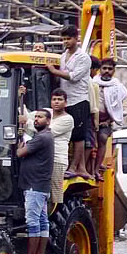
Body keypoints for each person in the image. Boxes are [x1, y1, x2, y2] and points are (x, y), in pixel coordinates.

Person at [47, 25, 92, 179]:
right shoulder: (63, 55)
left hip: (79, 100)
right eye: (64, 39)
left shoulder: (83, 57)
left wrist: (54, 71)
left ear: (76, 39)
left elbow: (73, 76)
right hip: (67, 101)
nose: (66, 41)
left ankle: (75, 167)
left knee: (78, 136)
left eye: (68, 38)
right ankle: (68, 165)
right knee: (66, 134)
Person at [17, 109, 54, 254]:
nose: (37, 119)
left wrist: (20, 145)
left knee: (33, 221)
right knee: (42, 221)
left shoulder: (41, 138)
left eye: (40, 117)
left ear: (48, 121)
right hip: (41, 186)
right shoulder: (47, 136)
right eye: (36, 117)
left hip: (34, 186)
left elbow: (20, 153)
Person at [93, 58, 127, 181]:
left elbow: (117, 107)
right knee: (89, 143)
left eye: (110, 69)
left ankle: (96, 169)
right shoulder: (93, 83)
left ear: (114, 71)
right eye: (104, 68)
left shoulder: (117, 86)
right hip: (92, 119)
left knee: (102, 139)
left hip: (106, 121)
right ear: (100, 69)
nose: (107, 71)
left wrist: (107, 121)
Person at [85, 56, 101, 178]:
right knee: (90, 143)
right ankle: (87, 169)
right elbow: (94, 106)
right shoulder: (91, 83)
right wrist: (96, 122)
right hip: (88, 117)